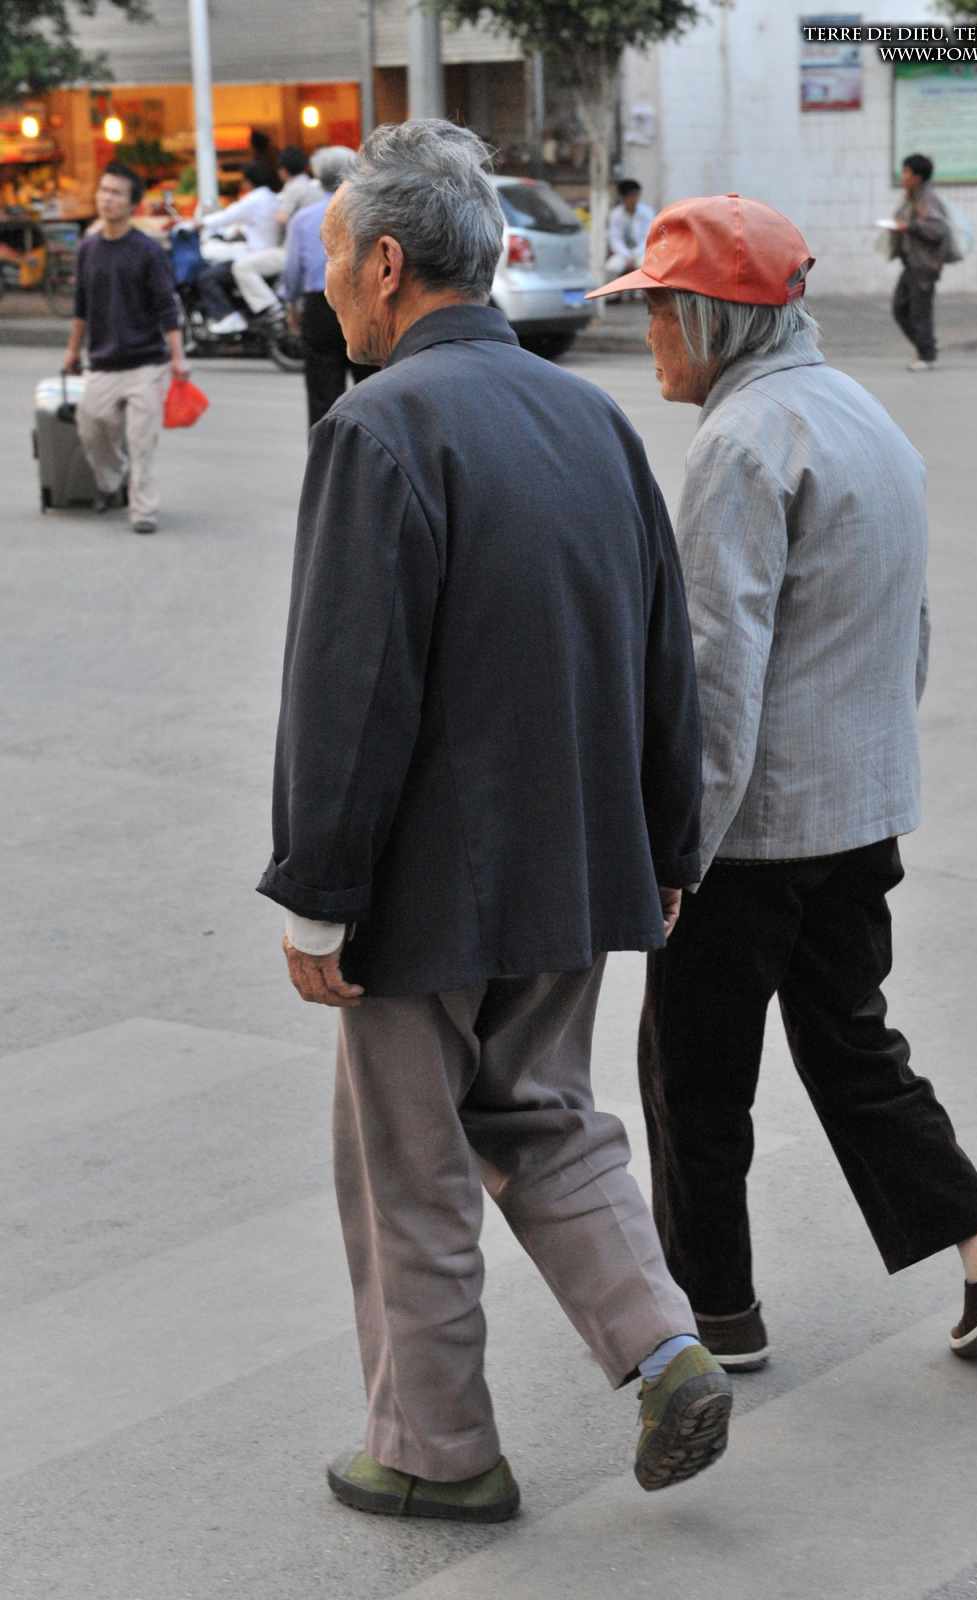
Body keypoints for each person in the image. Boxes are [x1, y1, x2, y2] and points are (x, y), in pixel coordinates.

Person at [256, 119, 733, 1524]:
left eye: (334, 257)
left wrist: (317, 894)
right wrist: (666, 847)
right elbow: (665, 654)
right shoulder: (589, 420)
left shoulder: (380, 425)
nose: (325, 284)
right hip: (577, 863)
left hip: (423, 890)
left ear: (385, 267)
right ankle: (663, 1343)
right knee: (547, 1118)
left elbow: (349, 687)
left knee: (408, 1168)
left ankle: (436, 1450)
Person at [588, 194, 977, 1375]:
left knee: (692, 1074)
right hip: (857, 810)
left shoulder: (740, 446)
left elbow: (715, 672)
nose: (649, 336)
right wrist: (870, 769)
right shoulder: (861, 415)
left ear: (713, 319)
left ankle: (717, 1311)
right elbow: (909, 630)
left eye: (659, 312)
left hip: (754, 832)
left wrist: (676, 848)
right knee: (851, 1042)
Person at [63, 160, 187, 536]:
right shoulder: (88, 249)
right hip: (102, 361)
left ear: (132, 204)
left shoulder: (148, 251)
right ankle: (113, 478)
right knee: (91, 427)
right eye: (104, 190)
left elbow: (166, 307)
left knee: (141, 440)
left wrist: (178, 357)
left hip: (146, 362)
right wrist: (72, 351)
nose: (107, 198)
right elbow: (81, 307)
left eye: (116, 193)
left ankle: (143, 510)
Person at [281, 146, 378, 427]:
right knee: (372, 391)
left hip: (319, 307)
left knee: (323, 396)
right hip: (363, 303)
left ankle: (325, 451)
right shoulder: (370, 214)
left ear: (318, 176)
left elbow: (292, 271)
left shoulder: (303, 218)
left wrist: (291, 305)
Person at [230, 146, 322, 322]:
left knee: (242, 266)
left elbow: (281, 218)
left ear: (283, 171)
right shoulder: (313, 186)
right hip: (315, 251)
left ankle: (271, 307)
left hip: (292, 252)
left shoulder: (293, 187)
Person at [197, 162, 282, 334]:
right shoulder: (272, 198)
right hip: (267, 253)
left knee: (207, 278)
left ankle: (228, 317)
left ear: (248, 181)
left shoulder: (254, 199)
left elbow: (228, 215)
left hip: (256, 255)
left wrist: (199, 223)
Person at [891, 152, 949, 372]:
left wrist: (910, 226)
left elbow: (938, 229)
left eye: (906, 172)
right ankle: (926, 347)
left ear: (917, 176)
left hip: (924, 266)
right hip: (911, 263)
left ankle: (926, 354)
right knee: (900, 309)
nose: (903, 176)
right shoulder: (912, 196)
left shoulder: (928, 199)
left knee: (919, 312)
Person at [606, 178, 655, 276]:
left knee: (646, 266)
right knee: (612, 267)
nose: (634, 199)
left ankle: (642, 287)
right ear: (623, 197)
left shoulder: (647, 212)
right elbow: (615, 239)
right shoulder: (615, 214)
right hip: (622, 254)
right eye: (631, 195)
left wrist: (636, 254)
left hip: (642, 252)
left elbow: (648, 237)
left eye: (636, 195)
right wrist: (627, 255)